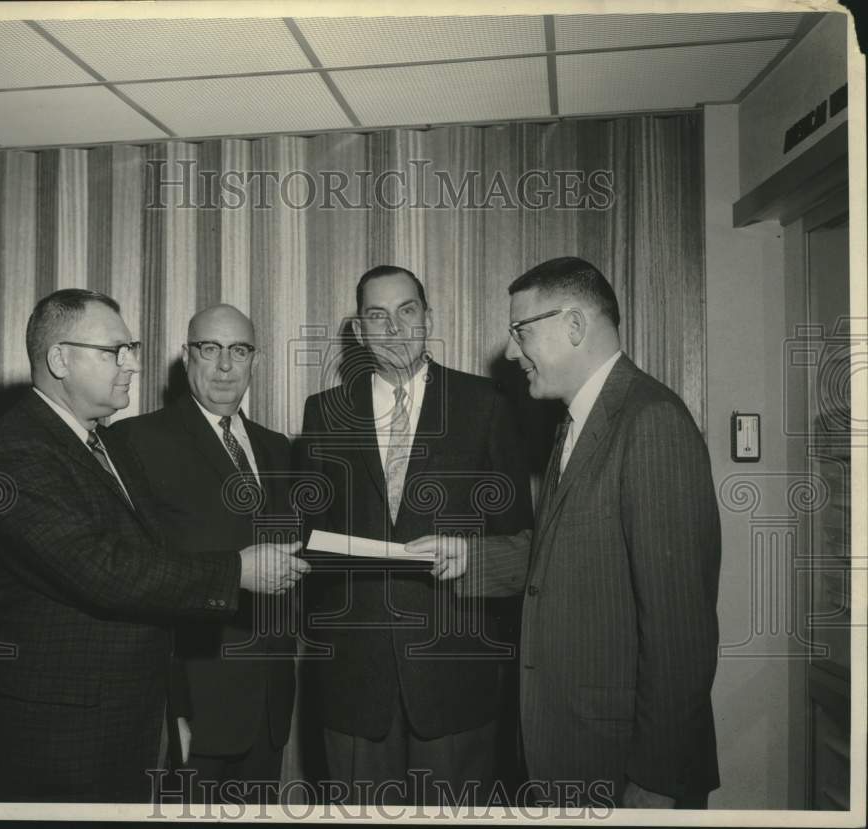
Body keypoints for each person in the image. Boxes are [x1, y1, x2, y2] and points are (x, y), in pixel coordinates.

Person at [0, 289, 307, 803]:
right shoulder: (15, 451)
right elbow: (102, 569)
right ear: (60, 359)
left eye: (131, 349)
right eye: (114, 352)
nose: (131, 365)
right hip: (63, 734)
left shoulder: (87, 442)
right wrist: (235, 572)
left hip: (130, 720)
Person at [410, 256, 721, 808]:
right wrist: (469, 557)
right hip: (566, 747)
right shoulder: (577, 422)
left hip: (621, 762)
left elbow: (681, 633)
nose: (510, 352)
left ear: (574, 326)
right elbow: (565, 552)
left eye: (521, 330)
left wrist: (657, 780)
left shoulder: (651, 423)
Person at [295, 266, 532, 805]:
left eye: (407, 311)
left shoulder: (486, 404)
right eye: (378, 316)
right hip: (355, 680)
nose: (395, 328)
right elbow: (306, 535)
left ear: (429, 318)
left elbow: (519, 539)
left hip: (455, 675)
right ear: (358, 331)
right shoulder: (324, 413)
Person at [111, 305, 296, 803]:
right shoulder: (136, 441)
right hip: (190, 707)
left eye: (239, 351)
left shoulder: (278, 449)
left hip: (268, 707)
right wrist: (174, 709)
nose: (224, 367)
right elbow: (134, 577)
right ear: (186, 356)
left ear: (254, 360)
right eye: (209, 349)